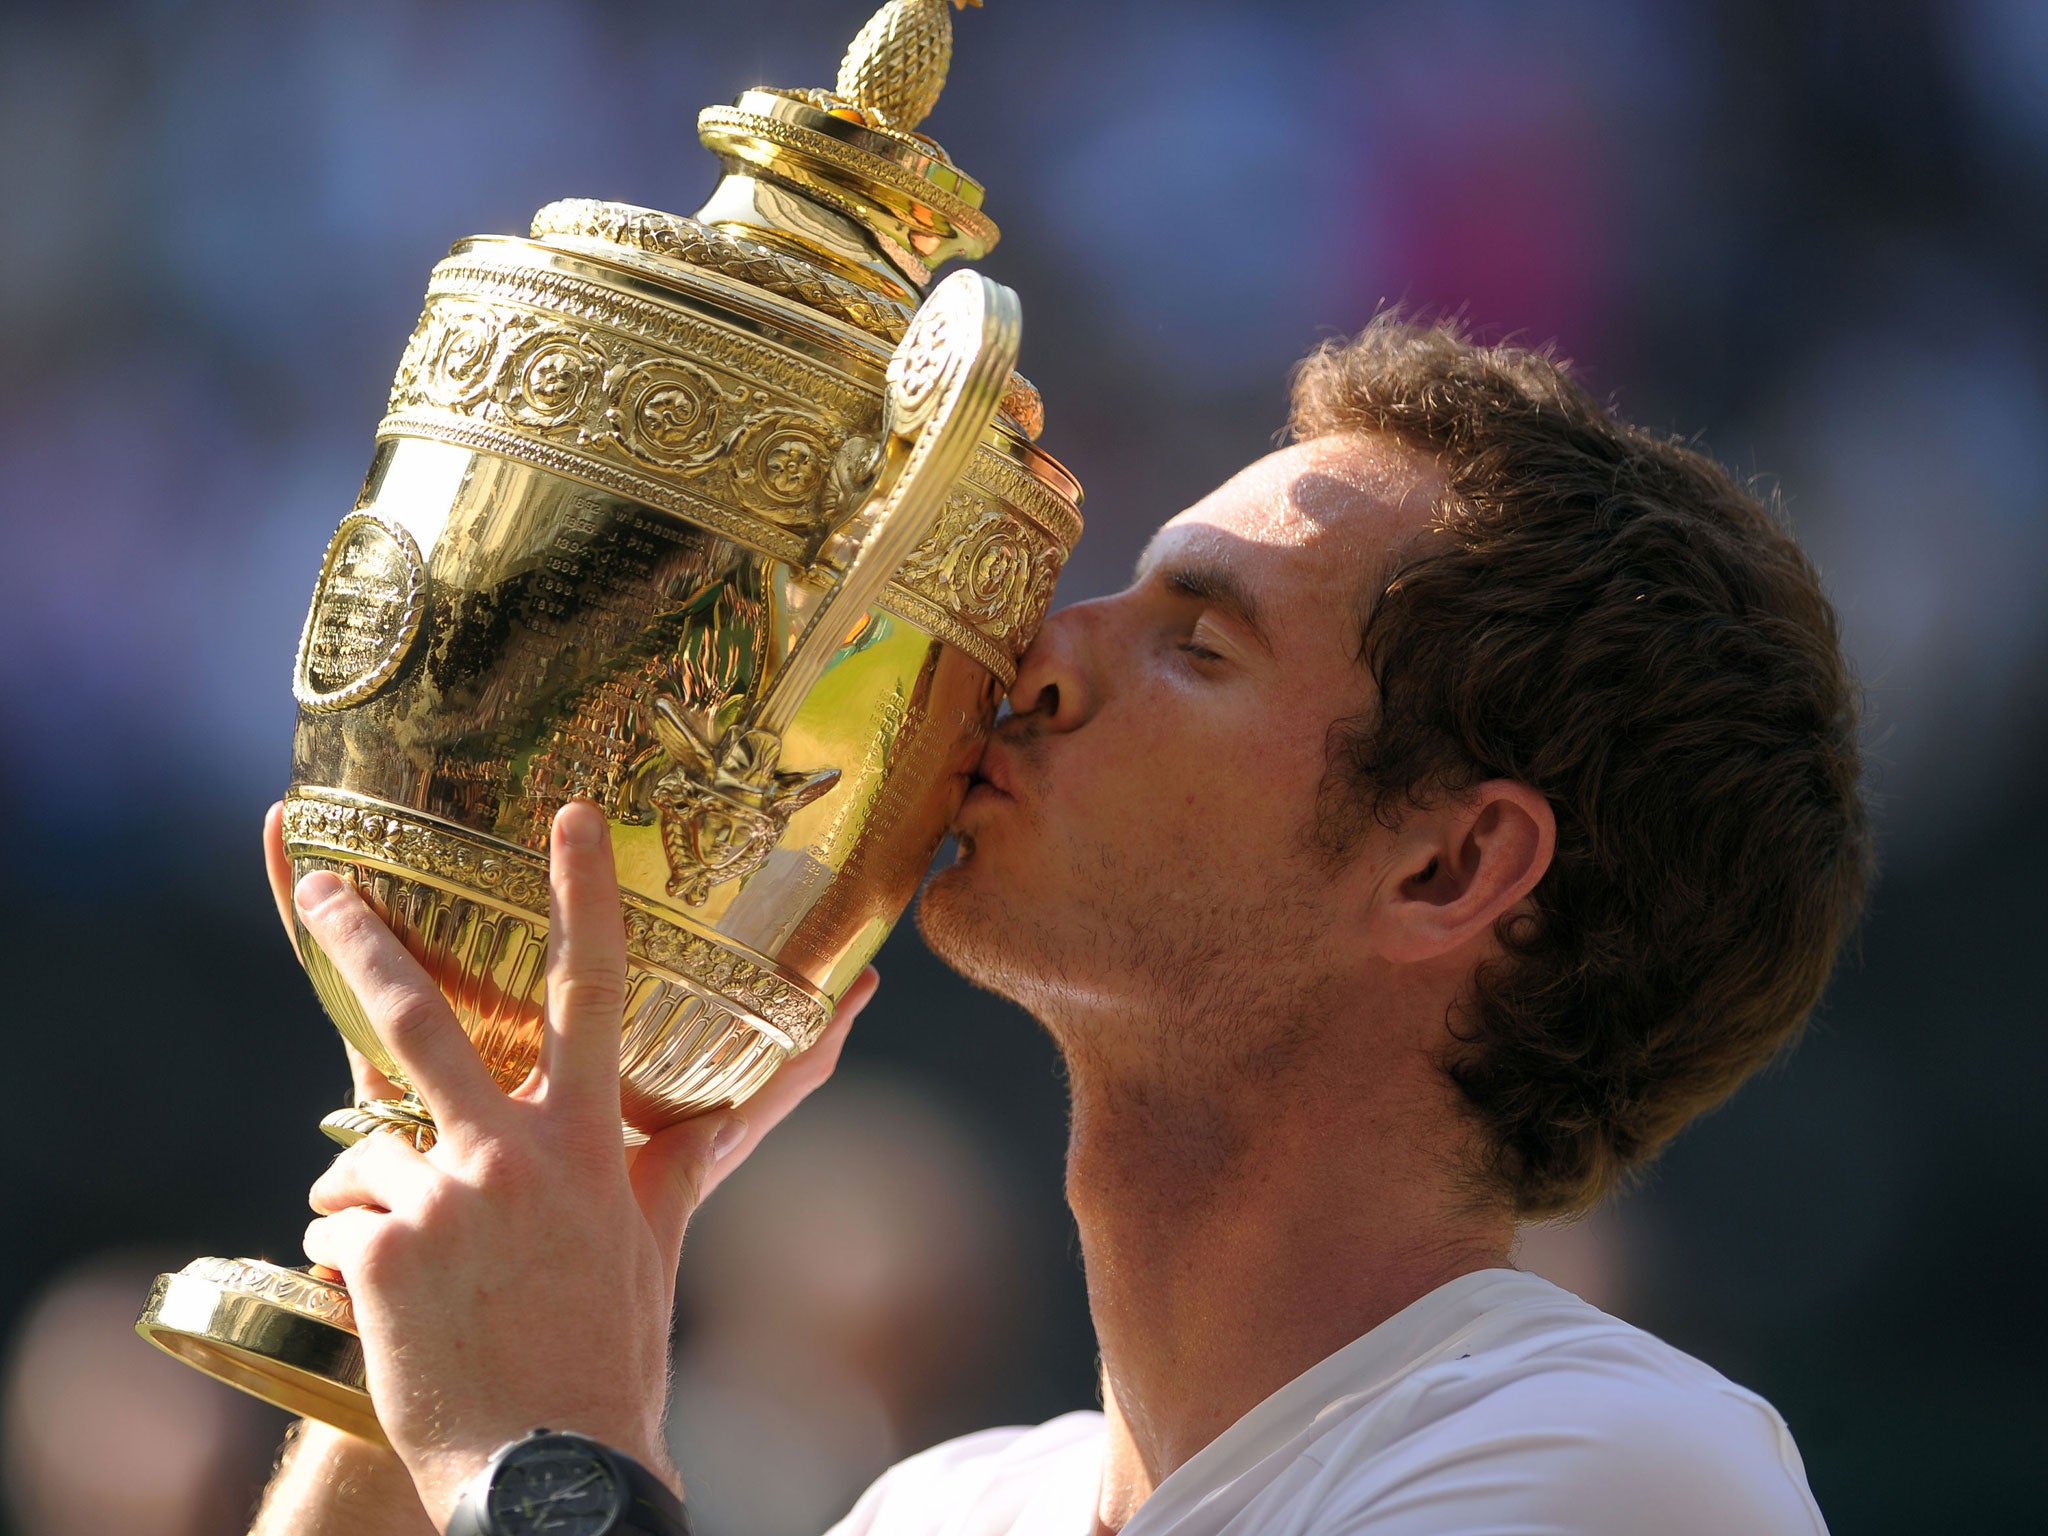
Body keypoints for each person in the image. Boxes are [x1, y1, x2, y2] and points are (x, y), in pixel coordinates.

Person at [246, 317, 1870, 1536]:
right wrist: (432, 1345)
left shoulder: (1623, 1473)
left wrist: (536, 1454)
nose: (1032, 655)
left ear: (1448, 871)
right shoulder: (941, 1509)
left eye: (1200, 643)